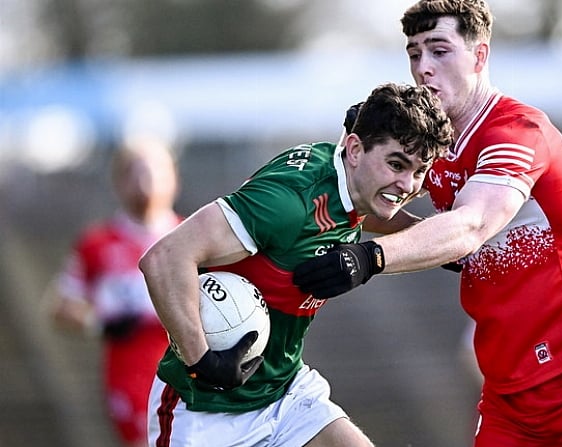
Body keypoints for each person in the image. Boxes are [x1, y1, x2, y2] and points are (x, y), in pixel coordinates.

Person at [292, 1, 562, 446]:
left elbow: (471, 225)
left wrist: (369, 258)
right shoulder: (428, 148)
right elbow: (366, 205)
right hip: (510, 389)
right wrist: (357, 160)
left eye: (439, 50)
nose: (423, 68)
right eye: (414, 54)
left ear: (480, 56)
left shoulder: (517, 131)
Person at [138, 82, 453, 447]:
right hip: (204, 409)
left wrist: (429, 237)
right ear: (354, 149)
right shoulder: (288, 203)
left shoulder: (346, 182)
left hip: (286, 394)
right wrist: (201, 361)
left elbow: (369, 208)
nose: (407, 184)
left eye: (418, 171)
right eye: (396, 164)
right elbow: (163, 259)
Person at [46, 136, 182, 447]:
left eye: (157, 170)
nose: (147, 180)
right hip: (129, 371)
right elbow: (60, 306)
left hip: (189, 369)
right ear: (119, 181)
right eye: (137, 171)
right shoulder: (97, 244)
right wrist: (100, 321)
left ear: (174, 178)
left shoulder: (194, 238)